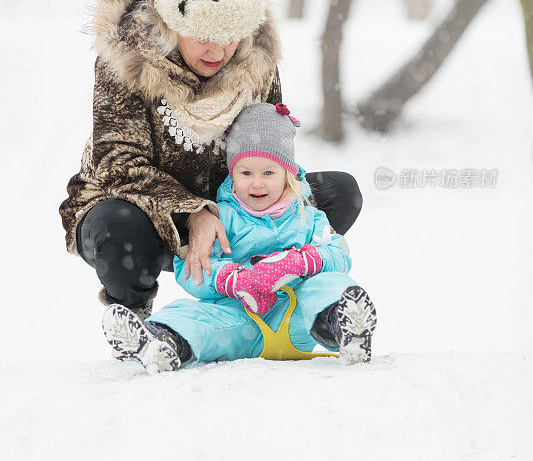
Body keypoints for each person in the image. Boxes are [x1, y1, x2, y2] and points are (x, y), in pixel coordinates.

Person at [59, 0, 363, 329]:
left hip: (236, 213)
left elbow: (269, 147)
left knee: (339, 192)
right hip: (144, 210)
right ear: (172, 25)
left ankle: (272, 288)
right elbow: (117, 160)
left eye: (231, 37)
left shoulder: (254, 62)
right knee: (117, 227)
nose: (218, 52)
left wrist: (271, 201)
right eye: (204, 37)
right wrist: (193, 211)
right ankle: (132, 318)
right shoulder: (128, 63)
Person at [102, 102, 377, 373]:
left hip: (295, 316)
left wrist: (301, 262)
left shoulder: (308, 216)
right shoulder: (220, 218)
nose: (257, 183)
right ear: (232, 174)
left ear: (287, 174)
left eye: (269, 173)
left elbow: (338, 254)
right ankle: (161, 342)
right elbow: (191, 270)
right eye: (246, 173)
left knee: (328, 284)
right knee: (193, 315)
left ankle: (343, 328)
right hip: (236, 318)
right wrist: (233, 280)